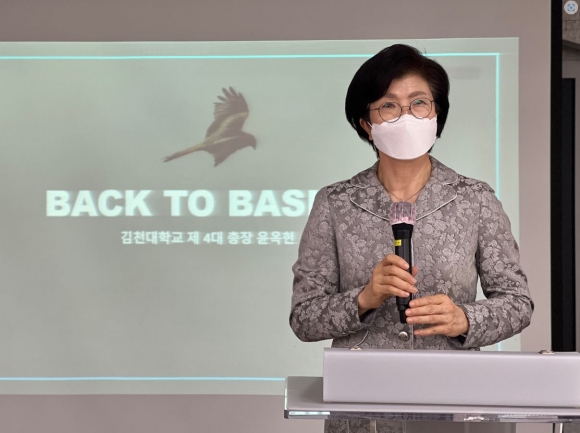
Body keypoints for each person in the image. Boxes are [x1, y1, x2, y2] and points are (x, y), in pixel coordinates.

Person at [289, 44, 534, 433]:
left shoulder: (474, 199)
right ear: (366, 123)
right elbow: (304, 318)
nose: (406, 115)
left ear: (437, 115)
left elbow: (518, 303)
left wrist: (464, 318)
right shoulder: (336, 203)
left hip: (454, 404)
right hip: (362, 408)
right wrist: (364, 298)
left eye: (419, 102)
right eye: (389, 105)